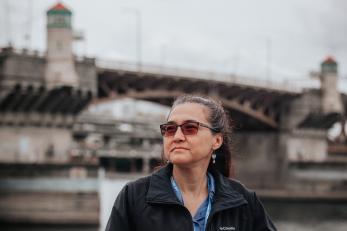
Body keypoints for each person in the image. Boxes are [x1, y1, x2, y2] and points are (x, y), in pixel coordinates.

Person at [106, 95, 276, 231]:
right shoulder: (134, 197)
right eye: (170, 129)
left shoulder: (243, 201)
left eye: (190, 128)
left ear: (216, 141)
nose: (177, 136)